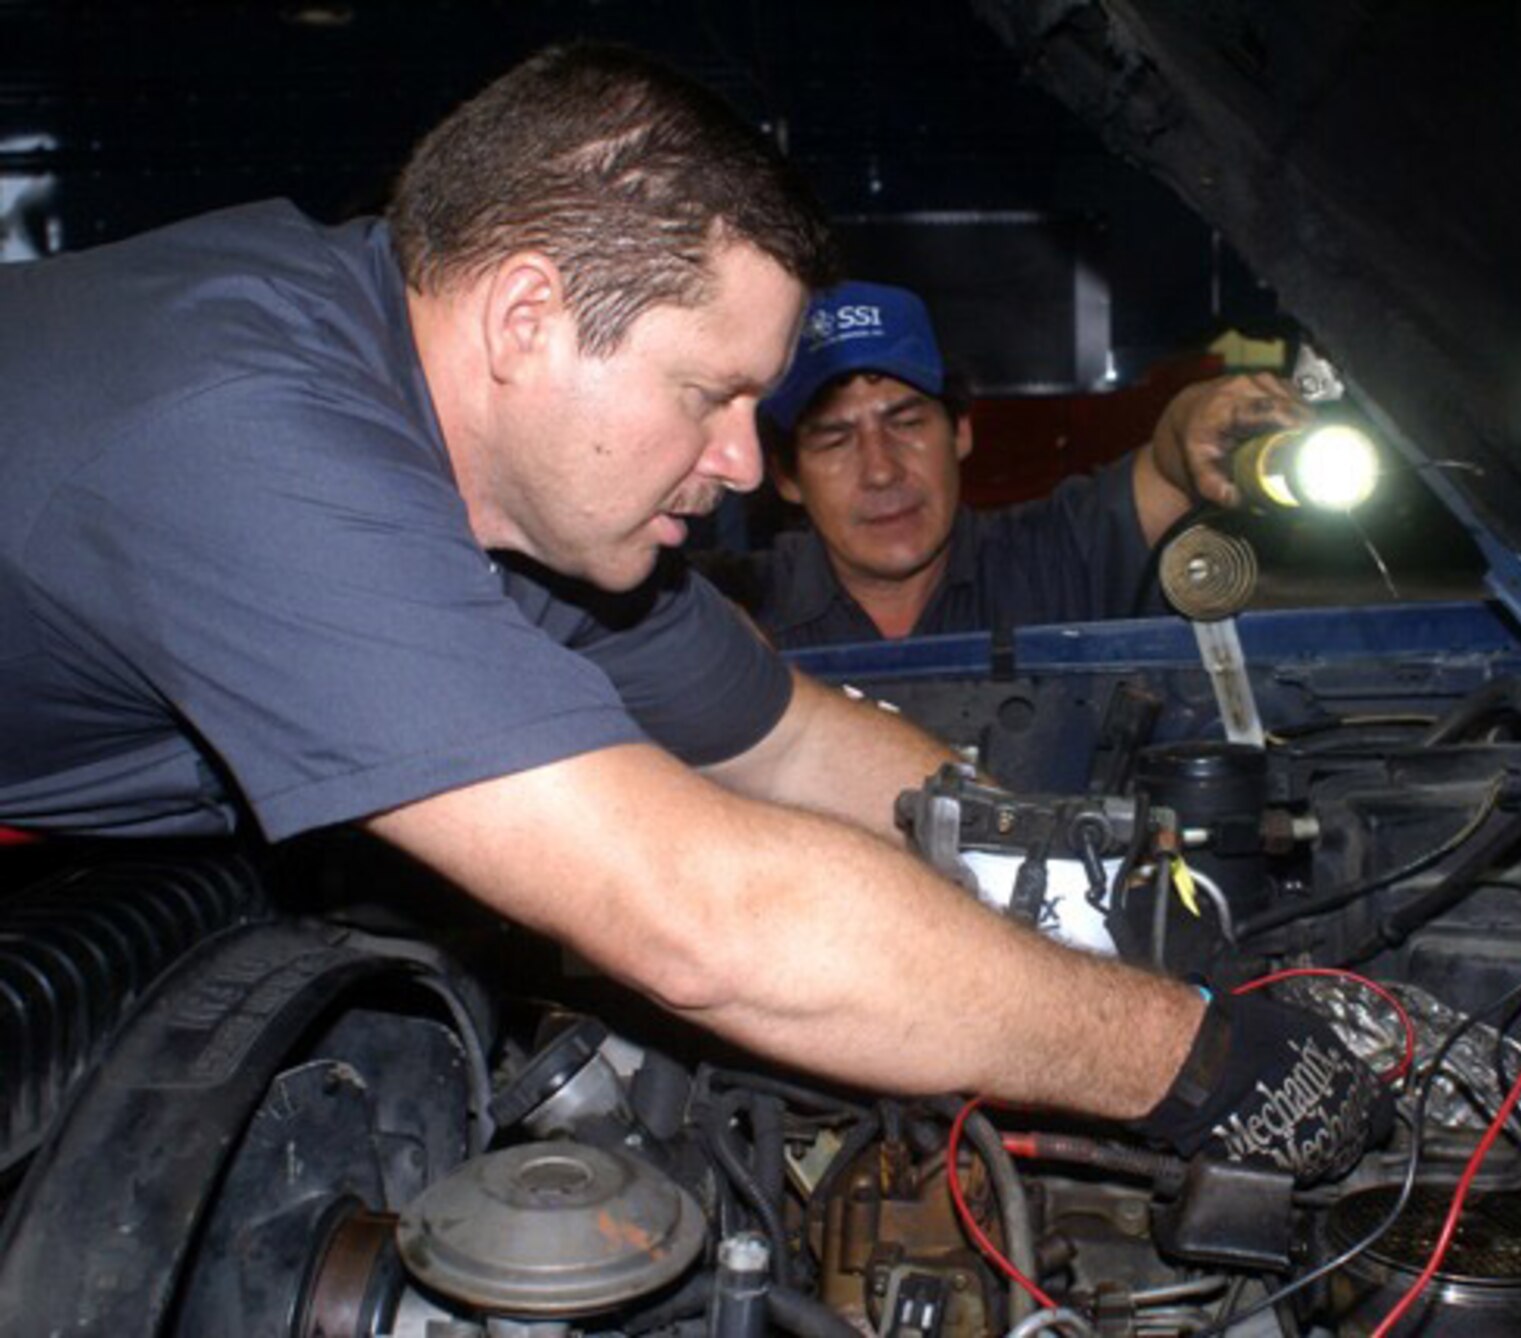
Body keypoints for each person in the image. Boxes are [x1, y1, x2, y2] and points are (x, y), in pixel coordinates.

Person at [0, 43, 1381, 1180]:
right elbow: (705, 918)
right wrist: (1189, 1060)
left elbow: (788, 741)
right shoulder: (256, 439)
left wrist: (1071, 868)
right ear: (529, 319)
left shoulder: (540, 517)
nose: (738, 465)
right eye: (707, 394)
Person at [721, 280, 1307, 646]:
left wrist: (1203, 413)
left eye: (906, 422)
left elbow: (1172, 462)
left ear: (962, 432)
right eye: (835, 438)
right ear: (787, 477)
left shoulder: (1059, 558)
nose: (881, 470)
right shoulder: (731, 613)